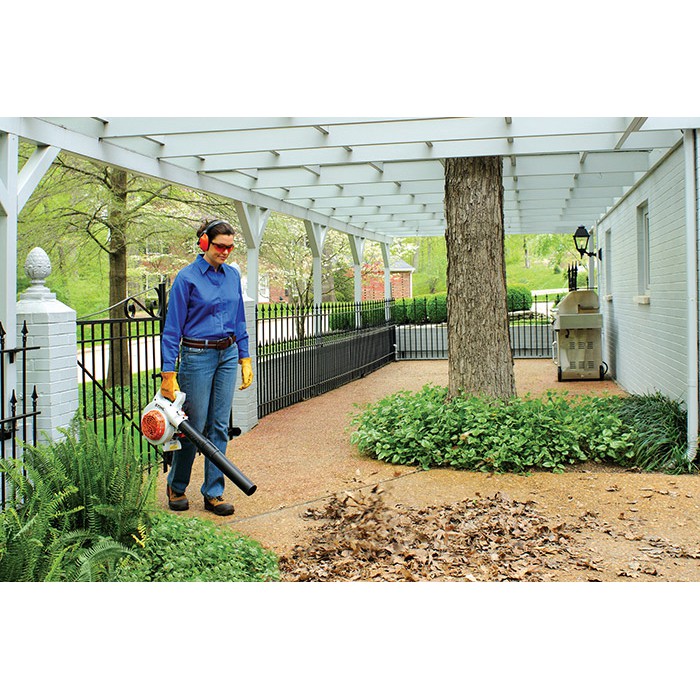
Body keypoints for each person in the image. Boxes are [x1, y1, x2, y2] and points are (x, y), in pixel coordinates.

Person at [159, 219, 253, 516]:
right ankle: (177, 486)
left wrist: (245, 356)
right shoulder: (186, 278)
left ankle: (213, 493)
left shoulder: (232, 276)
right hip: (197, 356)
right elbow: (172, 329)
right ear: (204, 243)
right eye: (220, 246)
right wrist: (168, 373)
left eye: (230, 247)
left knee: (219, 426)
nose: (225, 252)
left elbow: (239, 318)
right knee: (192, 427)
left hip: (227, 354)